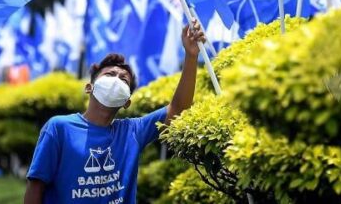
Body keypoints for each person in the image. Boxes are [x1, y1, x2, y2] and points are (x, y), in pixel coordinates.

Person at [24, 20, 206, 204]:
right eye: (109, 75)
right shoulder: (59, 128)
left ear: (127, 101)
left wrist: (191, 56)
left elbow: (177, 110)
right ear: (89, 87)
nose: (116, 80)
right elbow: (36, 187)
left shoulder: (132, 132)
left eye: (124, 80)